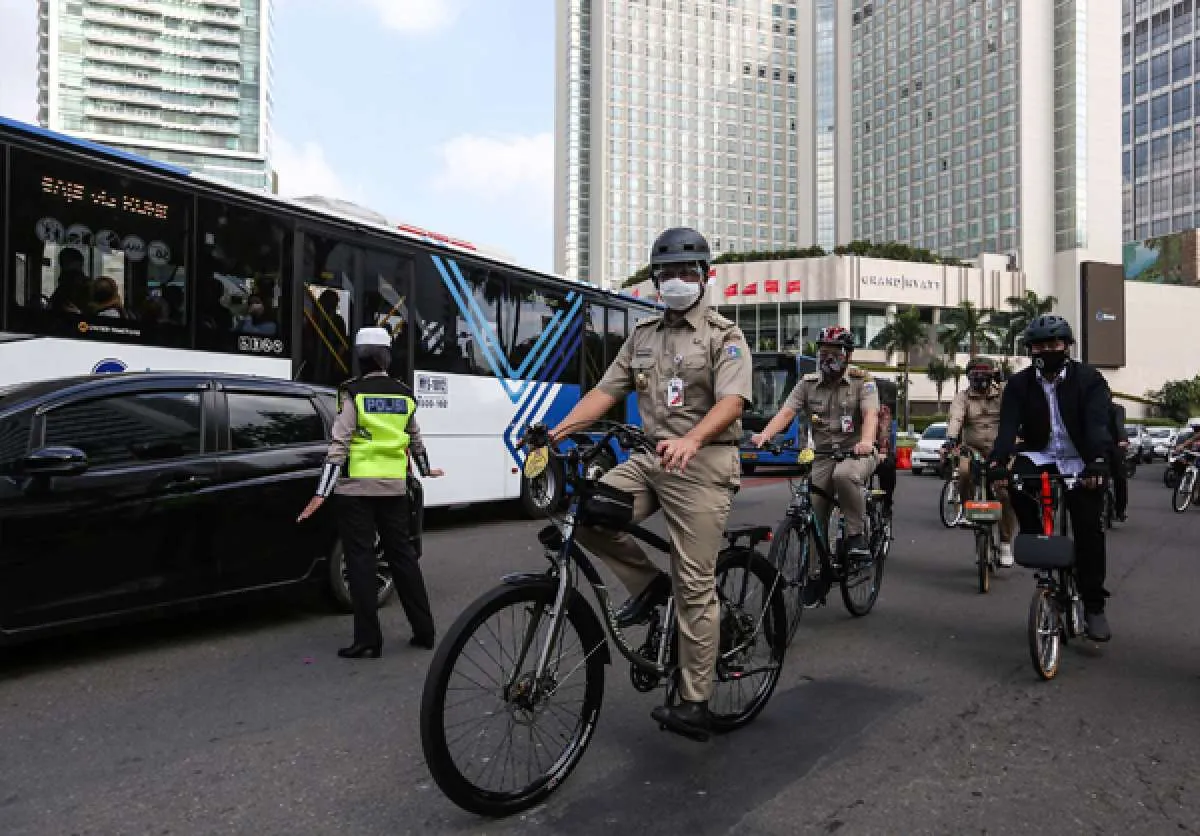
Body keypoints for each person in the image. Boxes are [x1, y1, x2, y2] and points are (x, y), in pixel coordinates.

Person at [536, 227, 752, 742]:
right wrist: (555, 433)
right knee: (583, 512)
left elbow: (733, 403)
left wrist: (694, 439)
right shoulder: (642, 336)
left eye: (686, 272)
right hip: (651, 460)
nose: (676, 281)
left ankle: (696, 700)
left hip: (703, 465)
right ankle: (648, 585)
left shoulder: (725, 335)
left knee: (695, 584)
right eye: (667, 273)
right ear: (655, 280)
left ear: (705, 276)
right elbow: (605, 393)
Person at [297, 326, 445, 658]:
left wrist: (320, 493)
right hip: (394, 487)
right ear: (386, 356)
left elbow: (340, 445)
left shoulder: (353, 392)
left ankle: (368, 640)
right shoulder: (404, 393)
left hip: (356, 490)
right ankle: (425, 631)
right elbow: (414, 438)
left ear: (361, 358)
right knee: (402, 557)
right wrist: (425, 469)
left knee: (361, 561)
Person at [987, 314, 1114, 642]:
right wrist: (998, 461)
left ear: (1067, 347)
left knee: (1088, 529)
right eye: (1040, 345)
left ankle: (1094, 606)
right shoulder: (1018, 384)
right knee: (1017, 481)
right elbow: (1007, 429)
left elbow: (1098, 425)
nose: (1047, 350)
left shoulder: (1090, 380)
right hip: (1041, 454)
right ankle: (1040, 552)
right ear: (1031, 350)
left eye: (1053, 344)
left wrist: (1098, 463)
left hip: (1081, 458)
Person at [752, 326, 879, 559]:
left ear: (848, 355)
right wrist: (765, 435)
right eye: (823, 352)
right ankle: (813, 576)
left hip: (857, 454)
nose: (828, 357)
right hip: (823, 456)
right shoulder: (807, 383)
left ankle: (855, 536)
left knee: (844, 475)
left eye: (835, 352)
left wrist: (867, 441)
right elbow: (787, 412)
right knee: (814, 514)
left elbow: (871, 415)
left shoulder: (863, 381)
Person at [944, 357, 1017, 565]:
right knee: (964, 472)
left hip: (1000, 452)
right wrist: (951, 439)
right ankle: (968, 510)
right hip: (972, 449)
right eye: (975, 376)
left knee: (1004, 493)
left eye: (984, 376)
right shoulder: (962, 397)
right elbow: (956, 418)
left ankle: (1004, 543)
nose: (980, 381)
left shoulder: (1003, 394)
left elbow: (1014, 414)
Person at [872, 377, 898, 518]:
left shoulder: (883, 410)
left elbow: (884, 430)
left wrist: (882, 450)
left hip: (877, 450)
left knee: (887, 465)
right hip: (854, 451)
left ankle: (887, 504)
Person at [1107, 402, 1129, 523]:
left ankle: (1120, 510)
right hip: (1098, 447)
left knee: (1120, 477)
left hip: (1115, 446)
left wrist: (1122, 439)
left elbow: (1119, 424)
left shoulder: (1117, 409)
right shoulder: (1090, 407)